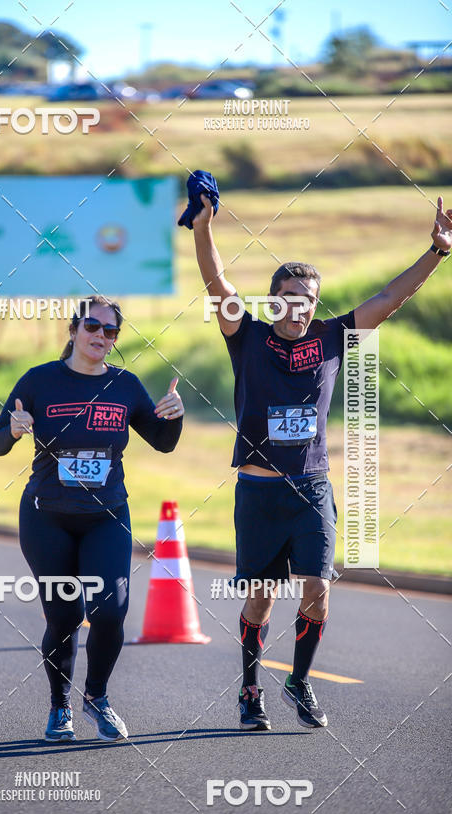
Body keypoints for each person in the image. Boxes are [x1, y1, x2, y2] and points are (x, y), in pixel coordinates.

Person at [191, 190, 451, 730]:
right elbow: (217, 285)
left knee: (319, 590)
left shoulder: (334, 337)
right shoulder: (248, 337)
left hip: (311, 488)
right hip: (259, 492)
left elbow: (388, 298)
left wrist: (438, 252)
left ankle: (300, 681)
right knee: (260, 603)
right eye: (288, 296)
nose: (299, 306)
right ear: (272, 300)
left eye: (308, 298)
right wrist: (202, 228)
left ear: (316, 303)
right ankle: (250, 689)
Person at [0, 295, 184, 742]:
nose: (100, 336)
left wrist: (174, 417)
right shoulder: (39, 381)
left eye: (110, 331)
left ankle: (97, 697)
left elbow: (164, 442)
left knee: (110, 611)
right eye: (92, 327)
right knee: (64, 616)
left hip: (106, 515)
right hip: (47, 518)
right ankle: (60, 707)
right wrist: (13, 431)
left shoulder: (126, 386)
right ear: (73, 330)